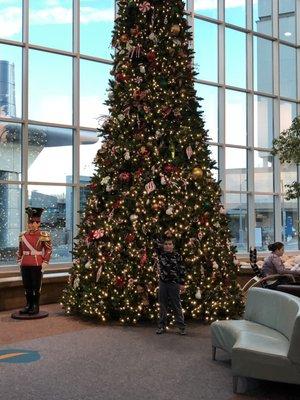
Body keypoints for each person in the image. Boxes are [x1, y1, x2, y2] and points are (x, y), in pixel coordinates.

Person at [17, 207, 52, 315]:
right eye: (30, 222)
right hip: (25, 263)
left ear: (38, 223)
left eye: (34, 223)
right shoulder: (23, 235)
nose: (31, 225)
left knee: (35, 286)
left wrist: (45, 261)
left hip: (37, 264)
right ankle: (28, 305)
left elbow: (48, 249)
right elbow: (20, 249)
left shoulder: (43, 235)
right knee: (27, 285)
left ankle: (35, 306)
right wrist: (19, 259)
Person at [154, 236, 186, 335]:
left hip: (174, 283)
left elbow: (182, 270)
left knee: (177, 306)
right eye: (166, 244)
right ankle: (161, 326)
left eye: (170, 244)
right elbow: (155, 242)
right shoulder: (160, 254)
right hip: (163, 283)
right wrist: (165, 235)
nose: (168, 246)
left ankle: (181, 327)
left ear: (173, 245)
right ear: (163, 246)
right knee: (162, 306)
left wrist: (182, 283)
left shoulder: (177, 256)